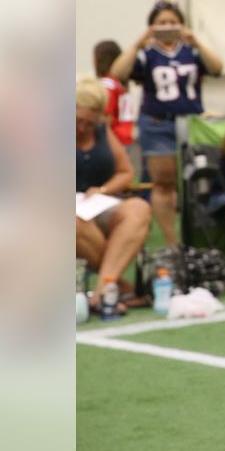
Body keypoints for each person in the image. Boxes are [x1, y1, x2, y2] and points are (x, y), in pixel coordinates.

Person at [110, 1, 224, 246]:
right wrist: (139, 42)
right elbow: (118, 73)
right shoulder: (146, 54)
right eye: (161, 22)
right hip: (157, 123)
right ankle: (172, 241)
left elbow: (217, 68)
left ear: (181, 24)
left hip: (191, 123)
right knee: (164, 184)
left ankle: (197, 238)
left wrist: (197, 41)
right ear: (152, 26)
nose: (167, 27)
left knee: (196, 181)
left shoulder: (191, 51)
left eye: (172, 22)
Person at [76, 78, 152, 314]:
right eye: (77, 120)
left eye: (89, 123)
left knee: (138, 208)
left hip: (97, 203)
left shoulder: (102, 131)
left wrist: (103, 190)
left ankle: (101, 292)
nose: (82, 128)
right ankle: (117, 287)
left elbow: (126, 172)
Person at [93, 40, 136, 151]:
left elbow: (107, 117)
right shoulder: (121, 83)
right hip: (125, 135)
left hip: (112, 139)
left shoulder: (107, 84)